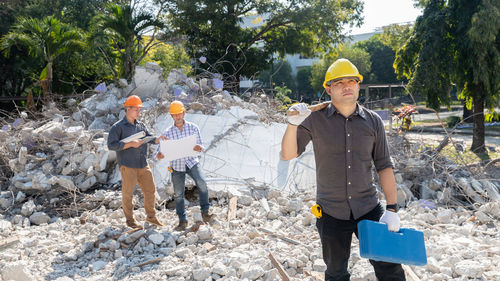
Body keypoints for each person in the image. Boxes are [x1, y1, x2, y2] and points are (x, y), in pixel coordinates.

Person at [281, 59, 405, 281]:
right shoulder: (314, 119)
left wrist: (392, 209)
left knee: (390, 269)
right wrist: (293, 124)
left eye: (352, 81)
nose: (347, 86)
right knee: (336, 273)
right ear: (328, 88)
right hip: (331, 212)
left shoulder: (373, 121)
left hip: (368, 208)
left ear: (358, 85)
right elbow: (288, 154)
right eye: (339, 82)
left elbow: (384, 165)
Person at [107, 95, 164, 229]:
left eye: (140, 110)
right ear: (127, 109)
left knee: (150, 190)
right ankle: (130, 221)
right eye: (136, 110)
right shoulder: (118, 127)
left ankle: (151, 217)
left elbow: (149, 138)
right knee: (128, 194)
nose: (139, 112)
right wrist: (130, 144)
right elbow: (111, 145)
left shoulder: (141, 125)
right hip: (128, 165)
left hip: (143, 164)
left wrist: (158, 139)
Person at [156, 100, 214, 231]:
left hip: (191, 161)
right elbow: (158, 152)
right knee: (178, 194)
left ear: (184, 113)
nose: (177, 116)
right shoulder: (167, 133)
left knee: (202, 183)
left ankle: (205, 212)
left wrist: (199, 148)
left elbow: (200, 146)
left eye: (179, 113)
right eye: (174, 114)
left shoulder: (193, 128)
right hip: (176, 166)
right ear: (171, 116)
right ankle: (182, 221)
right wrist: (159, 155)